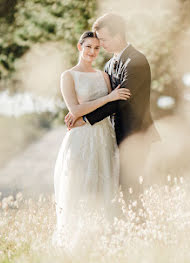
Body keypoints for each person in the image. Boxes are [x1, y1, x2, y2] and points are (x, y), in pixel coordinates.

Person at [65, 13, 160, 196]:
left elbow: (121, 101)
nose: (99, 44)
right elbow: (107, 97)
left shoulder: (136, 61)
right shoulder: (109, 65)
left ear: (118, 36)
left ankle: (138, 225)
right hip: (112, 136)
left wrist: (86, 118)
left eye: (103, 39)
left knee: (131, 190)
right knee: (115, 191)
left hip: (135, 134)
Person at [53, 31, 131, 248]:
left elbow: (110, 109)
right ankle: (77, 243)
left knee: (105, 184)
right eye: (88, 47)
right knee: (81, 185)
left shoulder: (103, 76)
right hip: (81, 137)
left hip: (104, 135)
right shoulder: (68, 76)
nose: (92, 52)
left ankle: (105, 242)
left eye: (97, 48)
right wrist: (109, 96)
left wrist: (109, 100)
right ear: (80, 47)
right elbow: (75, 109)